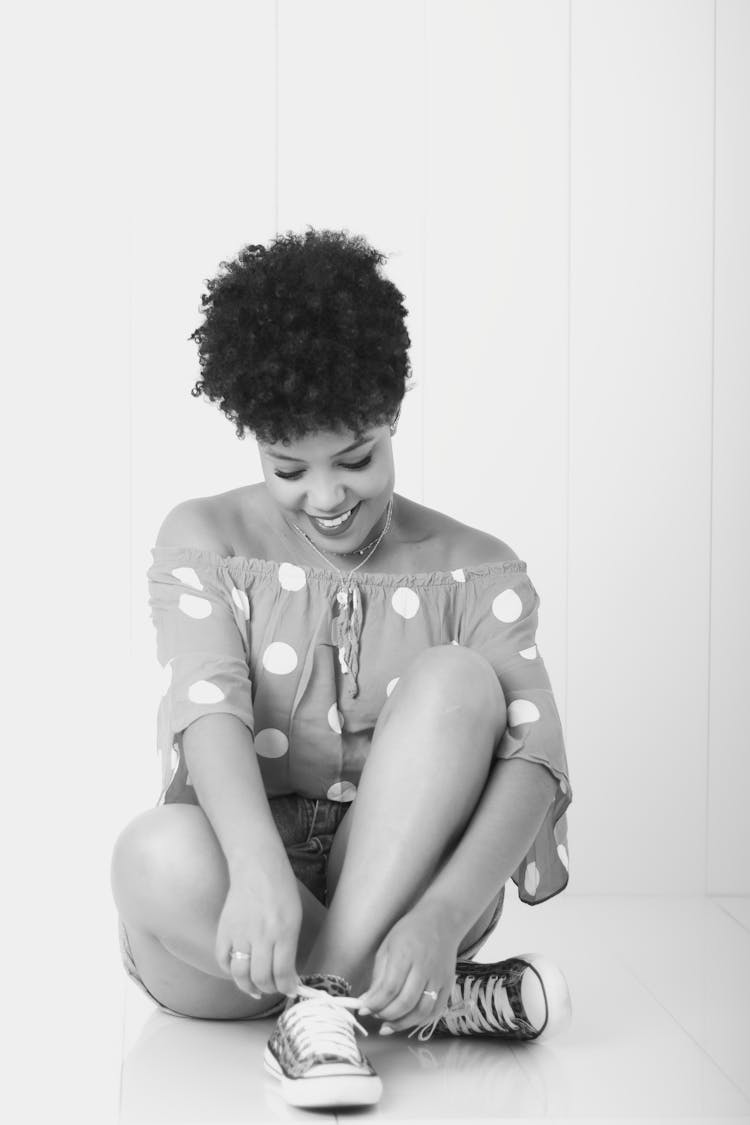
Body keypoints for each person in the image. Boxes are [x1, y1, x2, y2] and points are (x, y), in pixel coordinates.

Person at [110, 227, 573, 1110]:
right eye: (290, 468)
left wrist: (440, 920)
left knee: (462, 681)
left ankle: (324, 1010)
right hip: (235, 927)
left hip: (415, 916)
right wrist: (254, 870)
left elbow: (534, 760)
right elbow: (208, 705)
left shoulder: (477, 567)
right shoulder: (202, 539)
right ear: (253, 437)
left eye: (355, 458)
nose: (326, 497)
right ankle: (415, 1013)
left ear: (391, 413)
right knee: (148, 853)